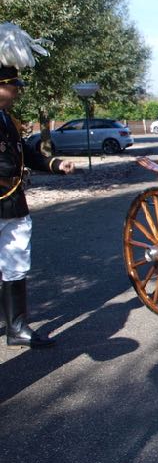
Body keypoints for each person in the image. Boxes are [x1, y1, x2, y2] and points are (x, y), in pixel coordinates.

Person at [0, 49, 74, 346]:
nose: (17, 92)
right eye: (12, 86)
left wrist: (54, 164)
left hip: (13, 202)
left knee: (15, 263)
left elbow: (25, 153)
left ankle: (16, 327)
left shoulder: (8, 119)